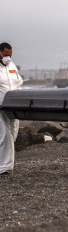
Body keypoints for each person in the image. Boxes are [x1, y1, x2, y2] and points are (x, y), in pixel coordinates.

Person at [0, 42, 23, 176]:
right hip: (1, 107)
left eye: (10, 55)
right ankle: (4, 168)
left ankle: (8, 165)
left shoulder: (12, 66)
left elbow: (18, 82)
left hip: (14, 106)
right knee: (5, 136)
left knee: (13, 134)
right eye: (6, 55)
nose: (8, 57)